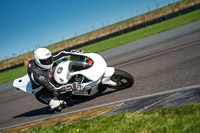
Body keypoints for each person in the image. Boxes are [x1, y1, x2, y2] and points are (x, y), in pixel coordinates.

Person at [27, 48, 72, 112]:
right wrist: (69, 87)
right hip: (42, 91)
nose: (49, 62)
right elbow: (54, 88)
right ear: (38, 61)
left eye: (50, 59)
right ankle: (60, 101)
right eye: (46, 61)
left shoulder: (45, 58)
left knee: (63, 60)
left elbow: (61, 54)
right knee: (58, 105)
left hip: (48, 75)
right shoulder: (38, 75)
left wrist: (74, 52)